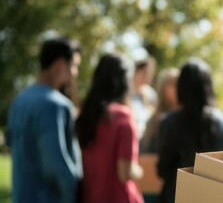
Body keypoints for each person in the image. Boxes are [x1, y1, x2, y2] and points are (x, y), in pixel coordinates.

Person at [7, 37, 83, 203]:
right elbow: (56, 164)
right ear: (60, 65)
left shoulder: (19, 101)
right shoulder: (55, 105)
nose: (75, 73)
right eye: (74, 66)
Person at [157, 58, 223, 203]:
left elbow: (162, 170)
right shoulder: (221, 121)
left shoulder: (170, 122)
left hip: (177, 195)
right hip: (213, 196)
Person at [76, 54, 144, 203]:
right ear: (125, 81)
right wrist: (140, 171)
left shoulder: (86, 116)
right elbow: (124, 172)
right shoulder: (122, 116)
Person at [140, 67, 180, 153]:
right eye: (172, 84)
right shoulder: (155, 120)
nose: (177, 88)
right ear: (163, 88)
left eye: (178, 84)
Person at [131, 57, 158, 139]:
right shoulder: (125, 94)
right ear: (135, 72)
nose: (148, 77)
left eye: (150, 74)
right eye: (145, 73)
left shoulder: (151, 94)